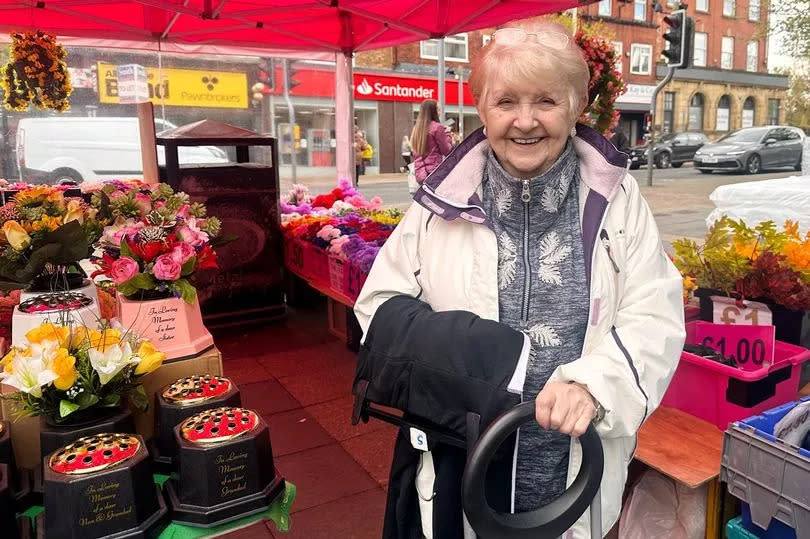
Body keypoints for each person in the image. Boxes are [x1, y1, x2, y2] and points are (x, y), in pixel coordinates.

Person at [354, 20, 685, 538]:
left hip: (577, 478)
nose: (525, 121)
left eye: (546, 102)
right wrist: (482, 360)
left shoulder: (617, 203)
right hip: (459, 467)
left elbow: (655, 314)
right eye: (506, 101)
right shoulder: (442, 202)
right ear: (482, 108)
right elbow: (378, 307)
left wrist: (595, 383)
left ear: (575, 108)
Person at [410, 99, 453, 184]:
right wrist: (447, 134)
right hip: (434, 172)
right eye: (438, 109)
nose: (440, 112)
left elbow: (414, 152)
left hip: (420, 173)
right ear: (433, 111)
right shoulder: (437, 127)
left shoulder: (417, 129)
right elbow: (447, 150)